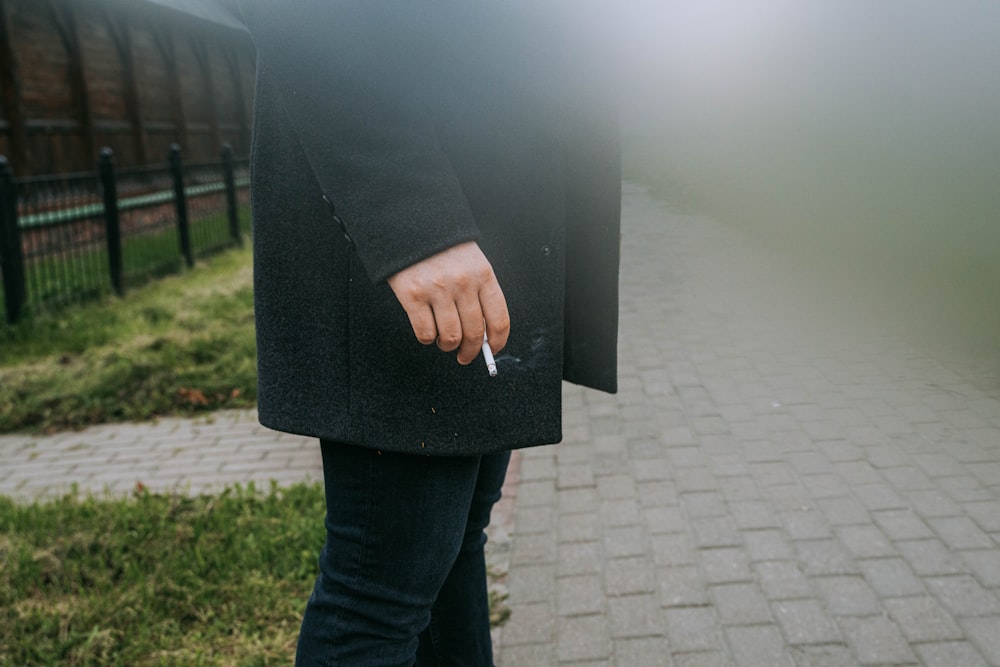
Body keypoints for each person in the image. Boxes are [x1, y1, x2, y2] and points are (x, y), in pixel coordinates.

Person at [234, 2, 621, 665]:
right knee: (380, 590)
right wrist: (411, 221)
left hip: (490, 217)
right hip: (427, 223)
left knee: (451, 544)